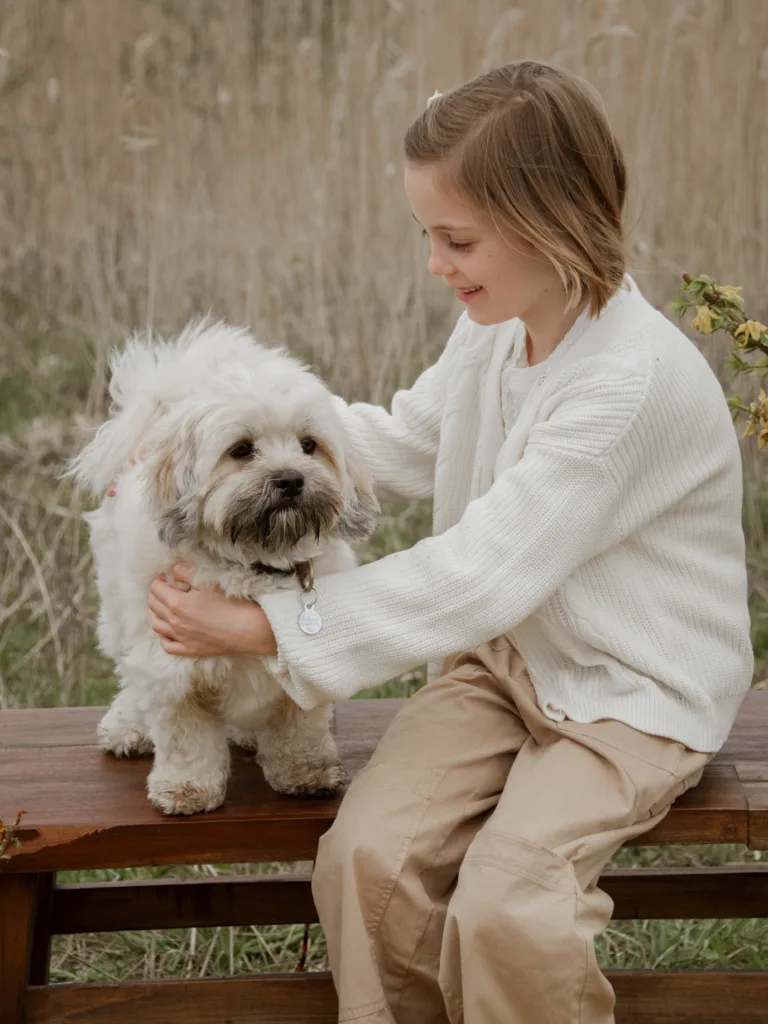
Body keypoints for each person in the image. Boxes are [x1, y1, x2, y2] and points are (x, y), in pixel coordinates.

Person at [146, 61, 753, 1023]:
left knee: (513, 906)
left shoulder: (627, 385)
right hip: (506, 663)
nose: (437, 264)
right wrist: (231, 426)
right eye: (428, 235)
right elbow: (402, 439)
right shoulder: (501, 324)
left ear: (552, 223)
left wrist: (267, 624)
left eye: (457, 239)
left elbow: (480, 574)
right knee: (367, 860)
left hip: (629, 692)